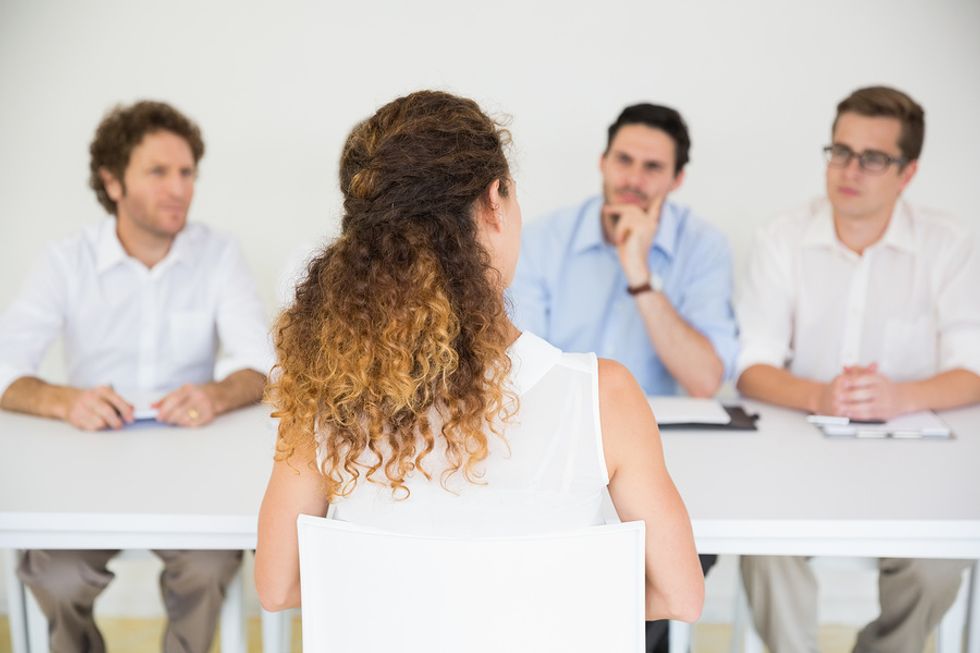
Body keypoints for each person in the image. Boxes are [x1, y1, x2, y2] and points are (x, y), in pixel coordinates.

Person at [254, 91, 705, 630]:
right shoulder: (603, 395)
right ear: (496, 200)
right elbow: (680, 596)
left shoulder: (329, 387)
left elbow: (277, 586)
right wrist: (515, 597)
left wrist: (435, 598)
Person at [0, 100, 273, 653]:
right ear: (112, 181)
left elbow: (264, 366)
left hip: (192, 472)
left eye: (187, 172)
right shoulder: (65, 261)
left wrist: (217, 394)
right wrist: (64, 400)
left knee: (208, 566)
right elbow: (6, 365)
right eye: (158, 171)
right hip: (87, 470)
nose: (179, 188)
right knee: (54, 573)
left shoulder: (218, 255)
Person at [736, 86, 979, 652]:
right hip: (799, 450)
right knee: (765, 549)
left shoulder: (949, 244)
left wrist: (902, 396)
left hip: (916, 464)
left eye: (874, 158)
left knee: (939, 565)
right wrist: (819, 395)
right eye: (840, 151)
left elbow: (972, 370)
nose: (850, 170)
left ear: (907, 172)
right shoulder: (782, 237)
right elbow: (752, 367)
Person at [508, 102, 734, 651]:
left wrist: (640, 273)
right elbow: (520, 366)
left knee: (675, 557)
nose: (633, 179)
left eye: (652, 168)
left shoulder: (703, 248)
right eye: (624, 160)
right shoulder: (539, 239)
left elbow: (705, 378)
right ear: (603, 161)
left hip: (663, 456)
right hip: (556, 446)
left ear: (677, 178)